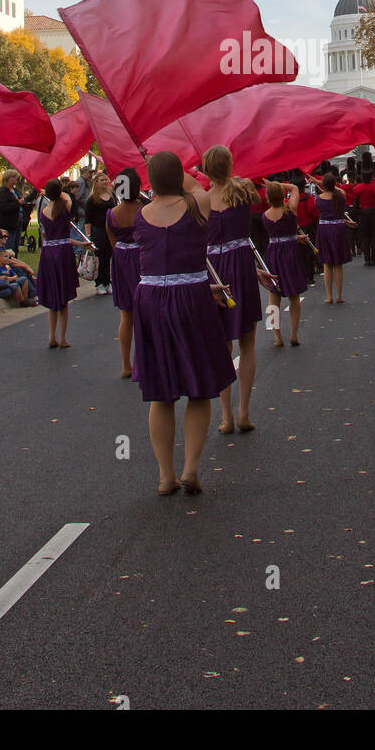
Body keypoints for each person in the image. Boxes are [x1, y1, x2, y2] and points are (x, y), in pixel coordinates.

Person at [131, 150, 235, 496]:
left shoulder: (141, 215)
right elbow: (195, 185)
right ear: (179, 176)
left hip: (150, 302)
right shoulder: (197, 206)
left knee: (160, 395)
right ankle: (190, 468)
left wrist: (149, 163)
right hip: (192, 299)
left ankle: (165, 475)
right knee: (200, 388)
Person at [201, 145, 264, 435]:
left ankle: (225, 416)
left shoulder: (201, 201)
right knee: (247, 341)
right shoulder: (242, 192)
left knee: (221, 343)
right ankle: (244, 411)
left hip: (214, 268)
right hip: (240, 265)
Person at [37, 180, 93, 347]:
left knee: (53, 294)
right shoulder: (65, 205)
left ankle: (51, 336)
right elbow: (63, 236)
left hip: (48, 253)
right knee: (63, 296)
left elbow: (51, 236)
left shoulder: (44, 210)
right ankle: (62, 338)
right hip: (63, 253)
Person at [106, 167, 145, 379]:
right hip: (142, 258)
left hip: (121, 259)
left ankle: (125, 364)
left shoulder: (111, 213)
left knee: (125, 314)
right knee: (145, 313)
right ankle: (143, 361)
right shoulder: (145, 209)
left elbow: (113, 241)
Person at [262, 180, 308, 346]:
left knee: (273, 295)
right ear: (283, 195)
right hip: (290, 253)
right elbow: (295, 188)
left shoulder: (265, 215)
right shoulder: (290, 210)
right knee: (294, 295)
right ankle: (294, 334)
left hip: (273, 253)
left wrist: (269, 185)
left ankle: (276, 336)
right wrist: (275, 183)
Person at [315, 170, 356, 304]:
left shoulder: (318, 199)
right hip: (338, 229)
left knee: (327, 264)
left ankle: (329, 296)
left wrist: (320, 183)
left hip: (324, 230)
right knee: (338, 264)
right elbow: (340, 194)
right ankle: (339, 295)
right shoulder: (340, 196)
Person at [85, 172, 116, 295]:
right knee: (99, 256)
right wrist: (88, 236)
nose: (104, 182)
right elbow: (88, 220)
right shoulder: (92, 199)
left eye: (106, 180)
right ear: (96, 182)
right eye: (102, 180)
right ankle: (99, 283)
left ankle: (107, 282)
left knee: (108, 256)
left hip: (110, 230)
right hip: (98, 230)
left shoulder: (111, 196)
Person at [353, 169, 375, 266]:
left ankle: (367, 259)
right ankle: (374, 259)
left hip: (363, 214)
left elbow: (355, 205)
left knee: (365, 237)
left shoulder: (358, 188)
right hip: (373, 213)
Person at [295, 177, 320, 285]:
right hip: (309, 227)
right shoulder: (310, 198)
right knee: (309, 253)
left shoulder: (290, 201)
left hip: (296, 228)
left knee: (299, 254)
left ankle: (301, 275)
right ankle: (310, 276)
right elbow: (314, 214)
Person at [0, 170, 23, 256]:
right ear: (7, 179)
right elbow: (4, 207)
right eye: (13, 177)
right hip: (8, 224)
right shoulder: (3, 191)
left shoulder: (15, 191)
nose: (15, 179)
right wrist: (17, 203)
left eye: (16, 177)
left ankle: (15, 265)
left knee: (15, 247)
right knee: (9, 247)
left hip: (17, 222)